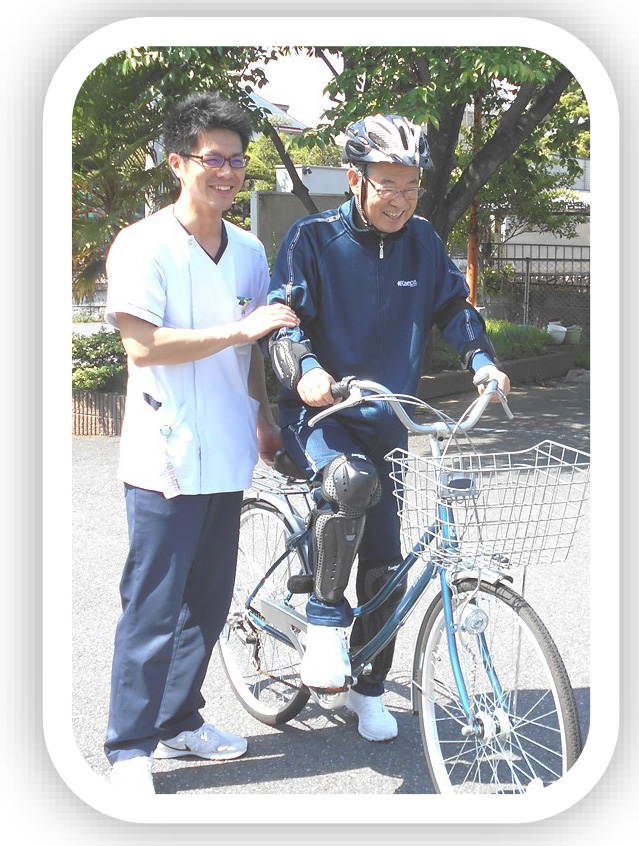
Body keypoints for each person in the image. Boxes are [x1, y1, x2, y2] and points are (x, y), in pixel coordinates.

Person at [266, 113, 510, 743]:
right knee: (349, 482)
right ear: (355, 179)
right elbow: (283, 319)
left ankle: (369, 690)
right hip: (321, 414)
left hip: (388, 417)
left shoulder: (423, 241)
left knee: (386, 562)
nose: (400, 199)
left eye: (411, 186)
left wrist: (481, 360)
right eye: (387, 185)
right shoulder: (312, 239)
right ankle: (324, 625)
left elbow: (453, 307)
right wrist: (307, 371)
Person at [103, 90, 298, 793]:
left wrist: (263, 418)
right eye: (212, 159)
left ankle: (179, 721)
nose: (227, 173)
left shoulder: (247, 250)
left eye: (237, 161)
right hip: (164, 457)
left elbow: (253, 353)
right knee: (153, 607)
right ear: (177, 163)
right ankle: (130, 748)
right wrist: (240, 330)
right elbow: (143, 345)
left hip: (227, 449)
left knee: (208, 605)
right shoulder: (142, 244)